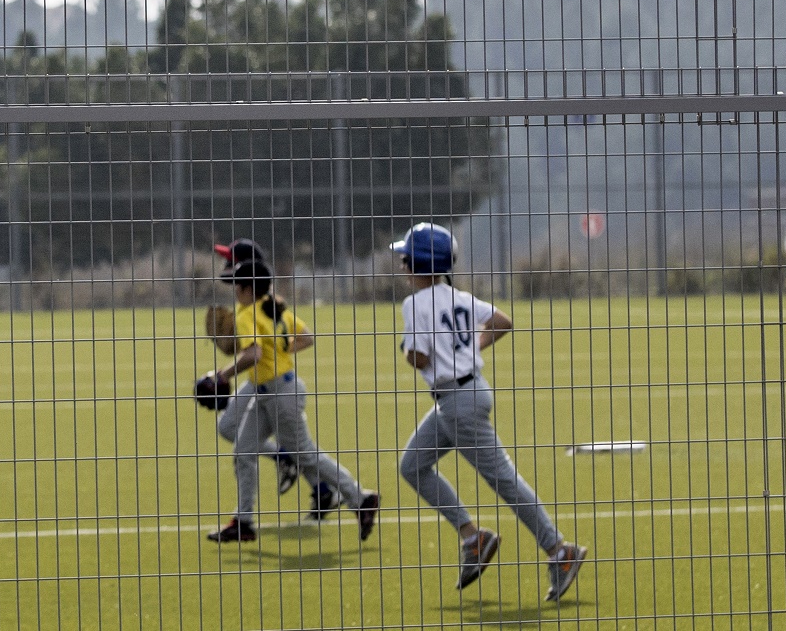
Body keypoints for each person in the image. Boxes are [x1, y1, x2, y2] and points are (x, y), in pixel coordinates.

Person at [391, 222, 588, 600]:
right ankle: (472, 537)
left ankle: (559, 551)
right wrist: (471, 350)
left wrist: (409, 350)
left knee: (504, 480)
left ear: (418, 263)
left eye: (405, 259)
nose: (402, 265)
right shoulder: (459, 297)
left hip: (457, 402)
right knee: (412, 465)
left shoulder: (414, 304)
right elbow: (502, 321)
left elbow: (418, 358)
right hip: (464, 395)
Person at [204, 253, 378, 544]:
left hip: (281, 394)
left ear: (248, 288)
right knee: (244, 452)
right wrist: (282, 351)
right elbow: (306, 337)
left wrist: (223, 375)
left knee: (305, 455)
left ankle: (361, 497)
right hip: (269, 391)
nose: (234, 290)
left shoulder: (247, 314)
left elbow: (254, 354)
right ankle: (243, 522)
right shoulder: (276, 308)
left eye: (238, 285)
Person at [210, 240, 340, 522]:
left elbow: (263, 348)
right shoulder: (251, 302)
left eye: (230, 261)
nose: (225, 267)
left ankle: (320, 485)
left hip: (272, 380)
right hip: (263, 379)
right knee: (237, 429)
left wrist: (235, 364)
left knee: (243, 430)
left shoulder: (258, 305)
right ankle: (317, 484)